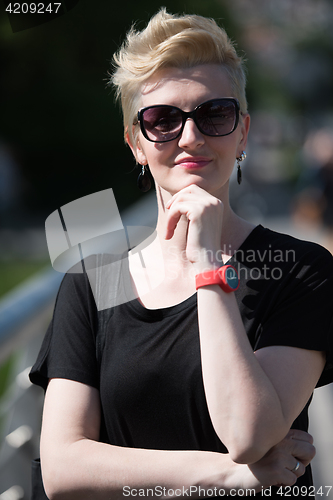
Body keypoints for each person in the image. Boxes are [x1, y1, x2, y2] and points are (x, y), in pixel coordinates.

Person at [30, 9, 333, 499]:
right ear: (136, 144)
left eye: (215, 114)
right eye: (163, 119)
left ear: (243, 134)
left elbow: (249, 434)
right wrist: (228, 476)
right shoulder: (96, 283)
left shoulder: (301, 271)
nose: (190, 137)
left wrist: (210, 263)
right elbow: (63, 467)